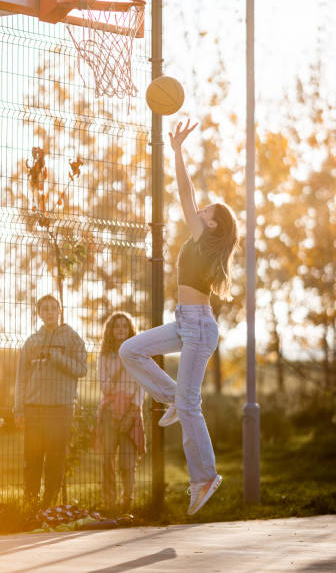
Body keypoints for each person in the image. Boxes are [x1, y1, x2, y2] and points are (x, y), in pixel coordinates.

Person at [119, 120, 239, 516]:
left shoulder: (202, 239)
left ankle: (204, 476)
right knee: (130, 350)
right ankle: (169, 394)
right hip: (186, 323)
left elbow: (184, 192)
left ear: (213, 223)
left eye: (206, 210)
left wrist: (176, 151)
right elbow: (188, 196)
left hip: (199, 328)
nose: (199, 208)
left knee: (190, 407)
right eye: (201, 208)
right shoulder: (199, 241)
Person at [14, 294, 87, 508]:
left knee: (55, 457)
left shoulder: (73, 338)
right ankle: (30, 502)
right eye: (44, 309)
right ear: (39, 313)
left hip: (61, 407)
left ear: (60, 311)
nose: (49, 312)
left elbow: (81, 369)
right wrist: (19, 409)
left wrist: (57, 357)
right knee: (33, 457)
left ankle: (49, 504)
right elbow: (21, 377)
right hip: (34, 407)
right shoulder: (32, 341)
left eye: (53, 308)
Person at [96, 312, 145, 512]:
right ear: (111, 330)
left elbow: (142, 385)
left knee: (127, 461)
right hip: (109, 411)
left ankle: (127, 501)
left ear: (130, 330)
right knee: (108, 459)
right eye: (117, 326)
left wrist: (133, 410)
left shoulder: (138, 355)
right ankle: (109, 502)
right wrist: (120, 367)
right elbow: (105, 387)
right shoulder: (104, 356)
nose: (121, 330)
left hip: (132, 411)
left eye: (125, 326)